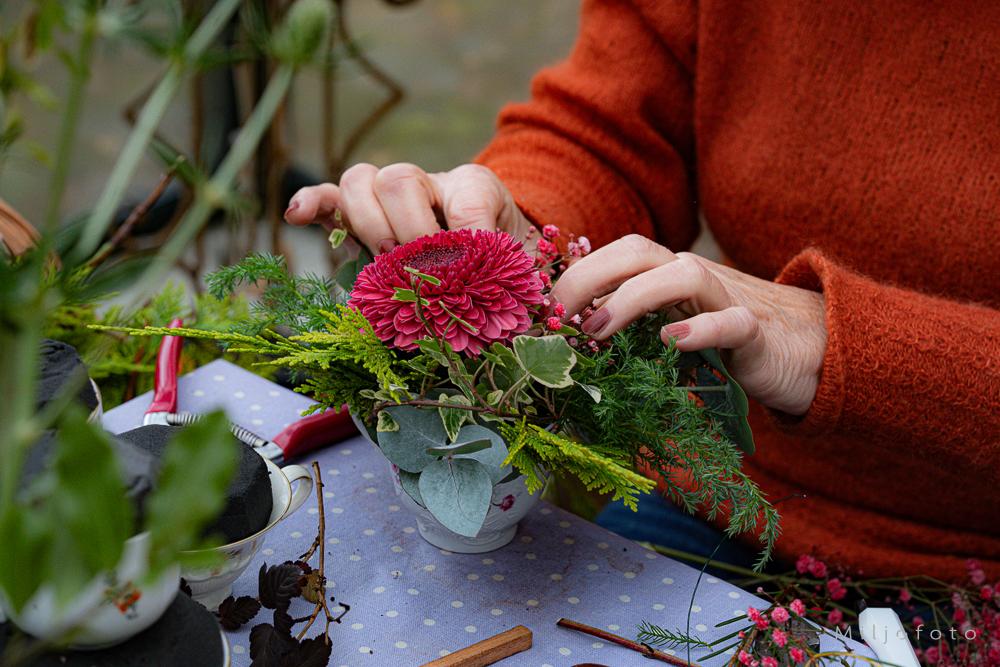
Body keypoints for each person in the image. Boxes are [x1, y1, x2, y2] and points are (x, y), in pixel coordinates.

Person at [285, 1, 1000, 580]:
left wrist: (837, 342)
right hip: (721, 491)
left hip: (970, 562)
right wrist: (518, 228)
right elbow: (612, 129)